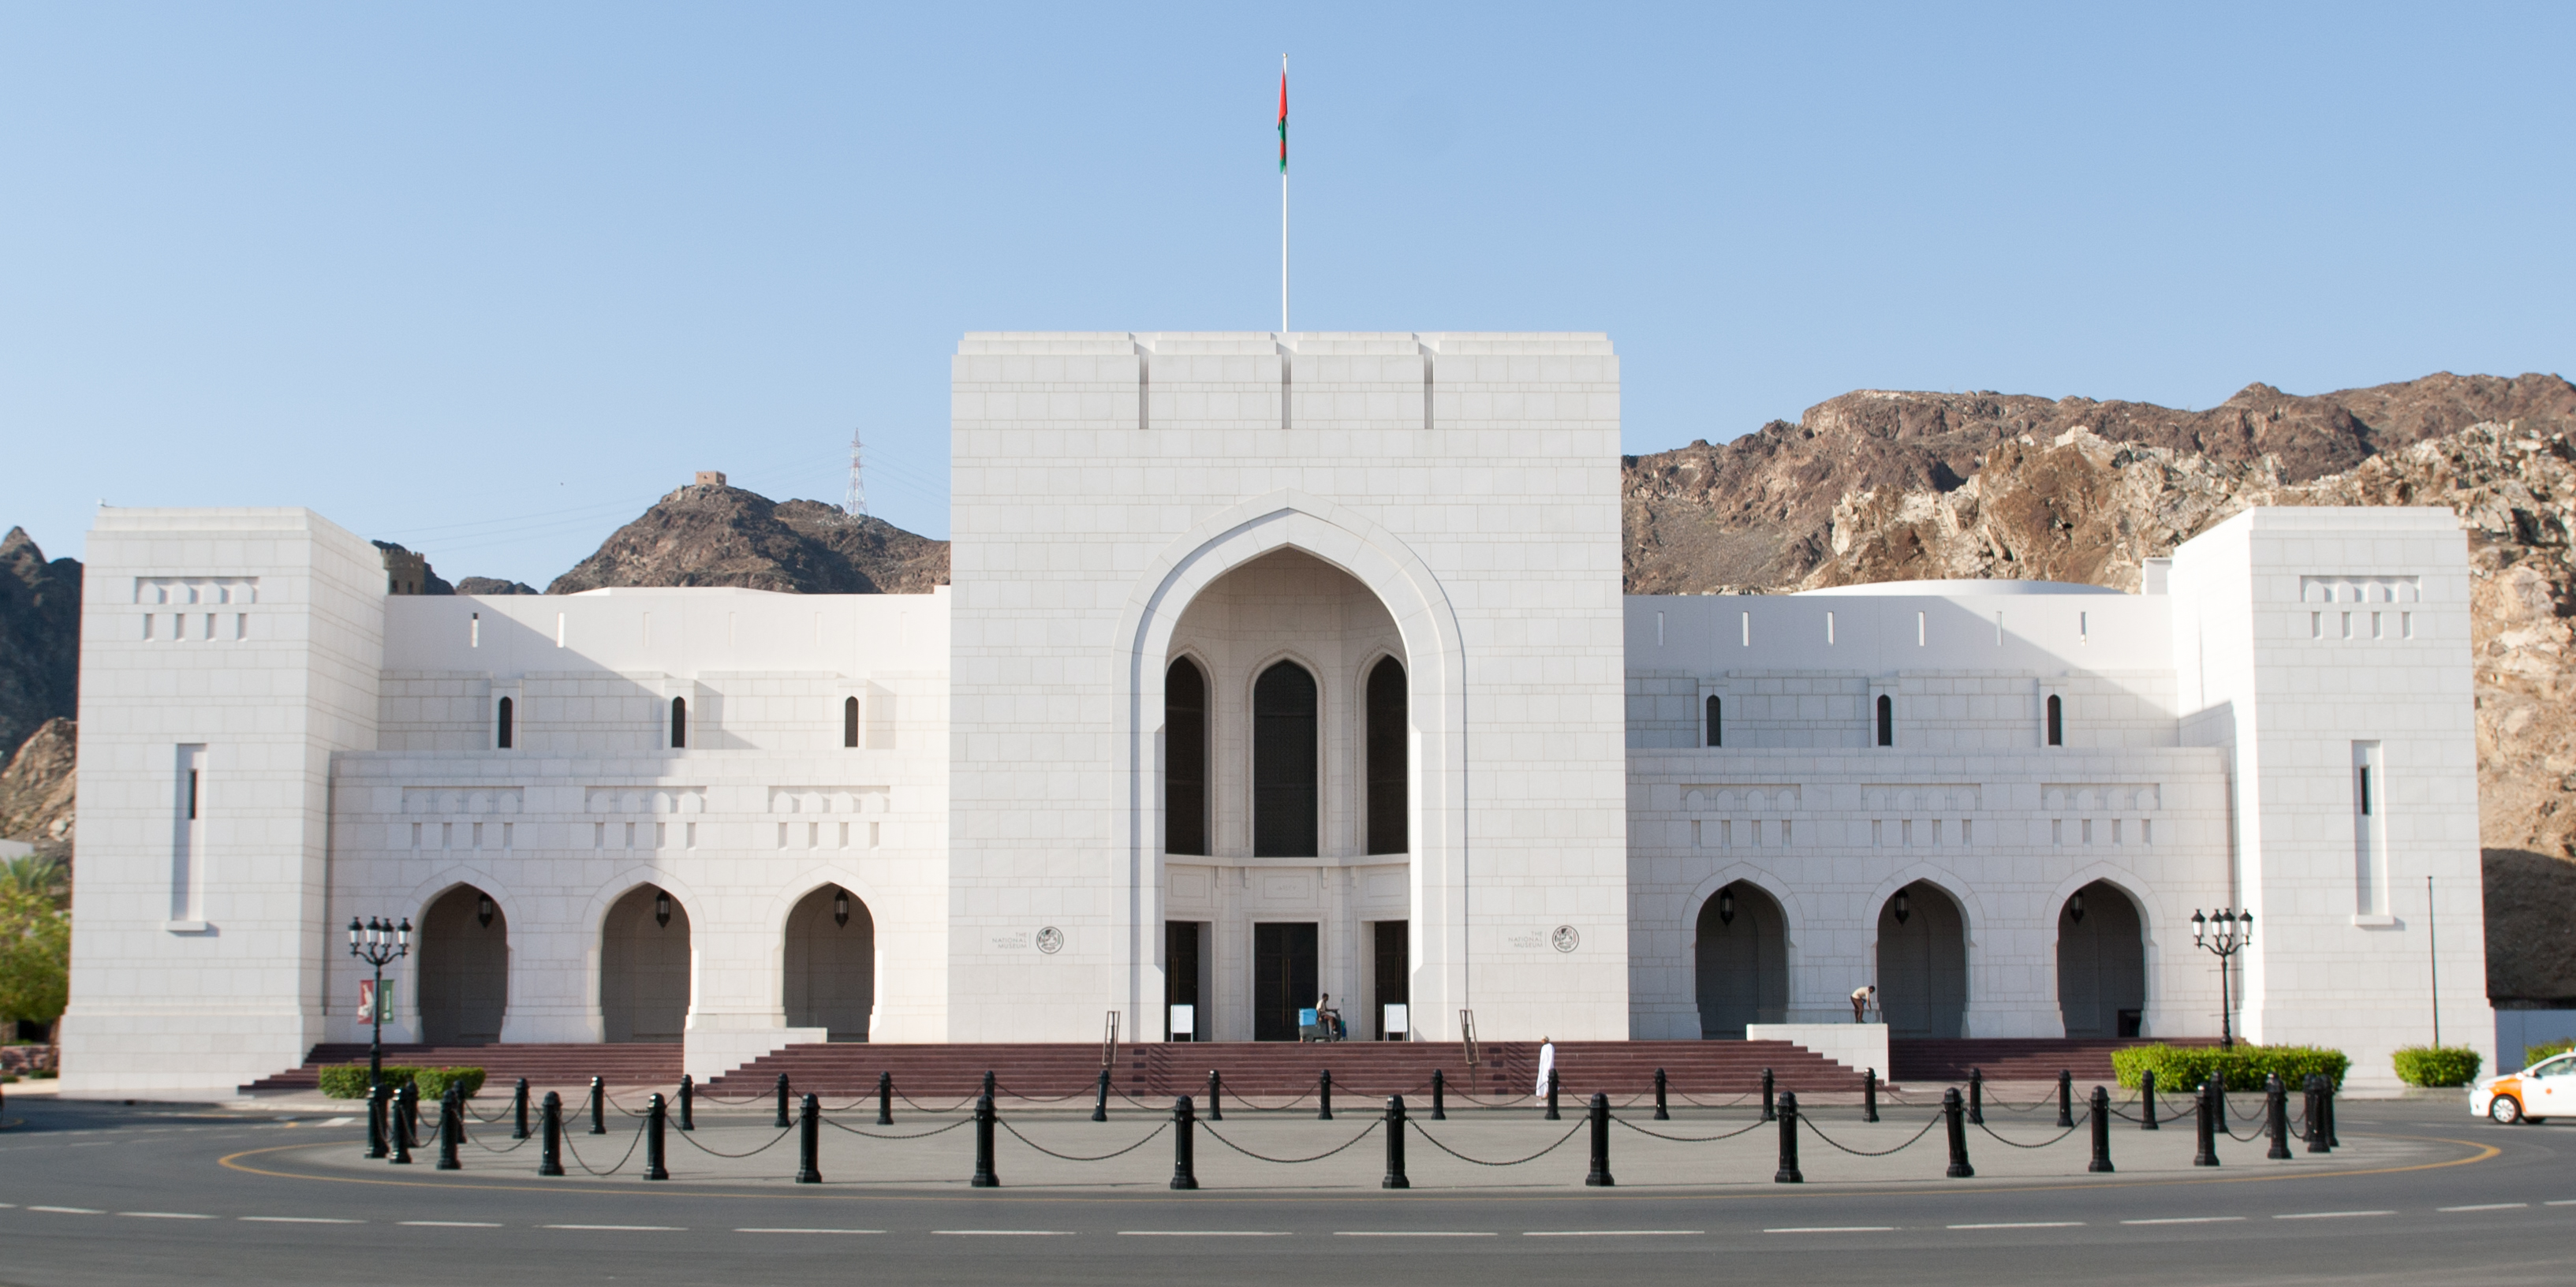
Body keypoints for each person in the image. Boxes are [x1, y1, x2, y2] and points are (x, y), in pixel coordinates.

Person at [1534, 1035, 1556, 1099]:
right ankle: (1543, 1093)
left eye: (1543, 1040)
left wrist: (1549, 1066)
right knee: (1542, 1079)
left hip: (1548, 1066)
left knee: (1546, 1079)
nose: (1542, 1041)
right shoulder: (1544, 1047)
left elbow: (1551, 1057)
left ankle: (1547, 1093)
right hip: (1543, 1066)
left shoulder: (1550, 1047)